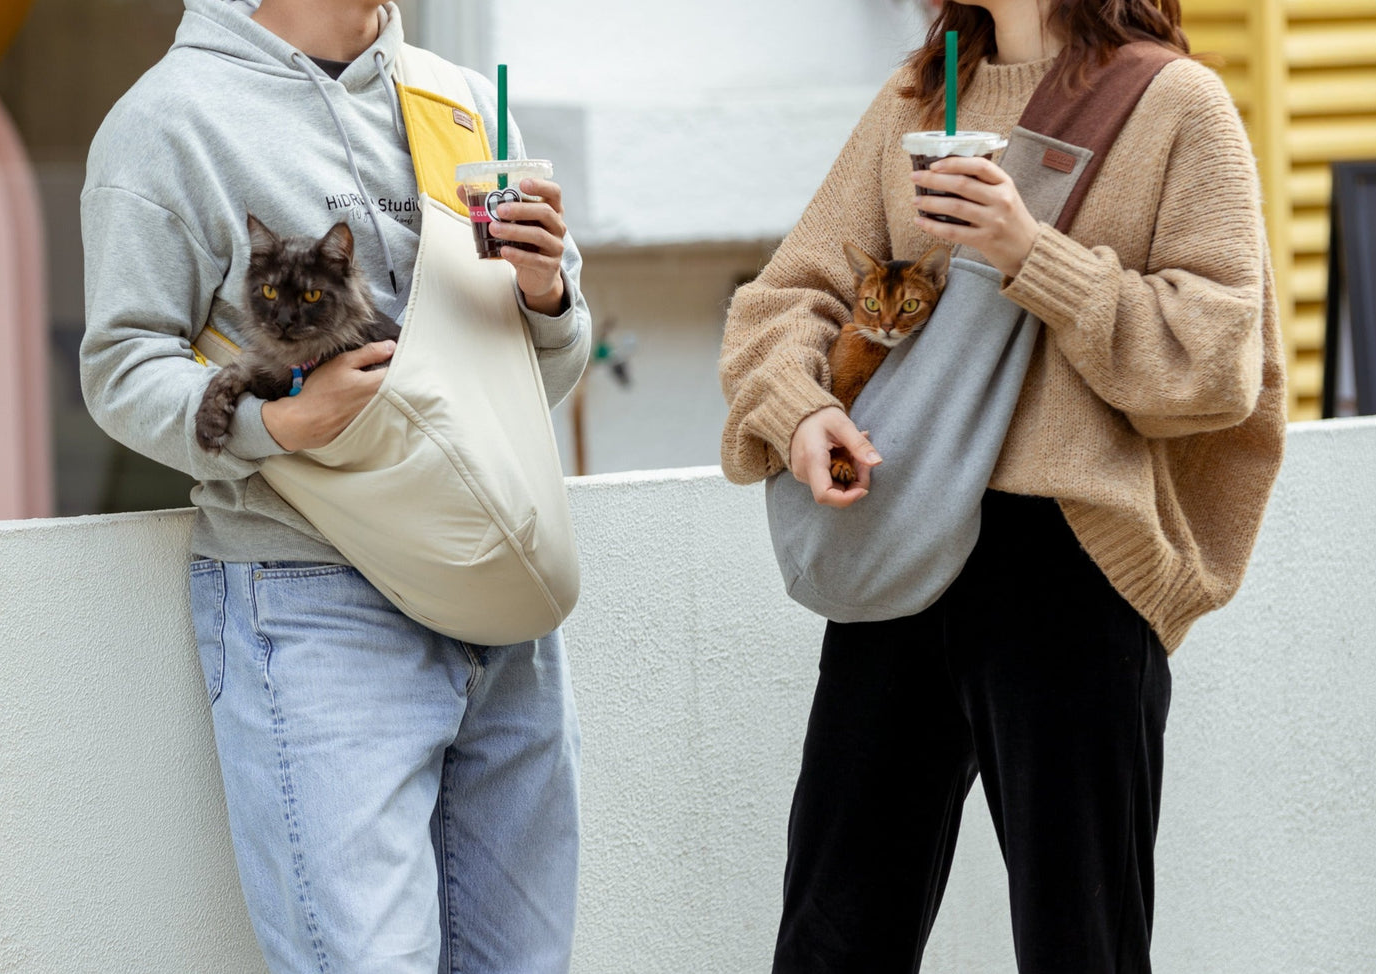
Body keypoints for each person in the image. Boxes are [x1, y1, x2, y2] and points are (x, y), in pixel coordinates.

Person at [718, 0, 1286, 970]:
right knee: (829, 933)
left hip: (1070, 559)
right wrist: (802, 410)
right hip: (898, 530)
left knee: (1080, 940)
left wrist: (1029, 255)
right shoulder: (921, 96)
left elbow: (1216, 362)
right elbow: (784, 296)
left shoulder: (1172, 105)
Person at [79, 1, 591, 971]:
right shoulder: (171, 120)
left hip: (501, 604)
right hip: (314, 598)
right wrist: (275, 423)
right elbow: (118, 366)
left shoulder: (467, 106)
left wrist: (547, 297)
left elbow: (543, 376)